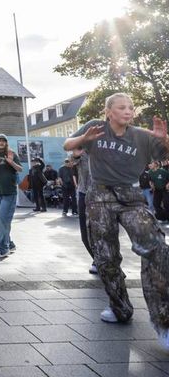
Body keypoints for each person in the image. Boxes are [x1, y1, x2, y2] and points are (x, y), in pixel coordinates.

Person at [63, 92, 169, 350]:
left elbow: (164, 154)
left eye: (131, 107)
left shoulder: (142, 136)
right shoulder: (95, 128)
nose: (128, 111)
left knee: (155, 247)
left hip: (131, 197)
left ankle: (164, 322)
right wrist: (83, 139)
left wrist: (164, 139)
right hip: (99, 197)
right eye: (122, 107)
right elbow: (68, 144)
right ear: (109, 111)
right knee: (106, 258)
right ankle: (120, 308)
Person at [72, 147, 97, 274]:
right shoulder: (82, 152)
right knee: (85, 235)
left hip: (102, 195)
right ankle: (97, 260)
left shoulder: (106, 149)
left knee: (104, 233)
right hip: (84, 194)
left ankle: (109, 263)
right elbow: (72, 161)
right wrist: (76, 155)